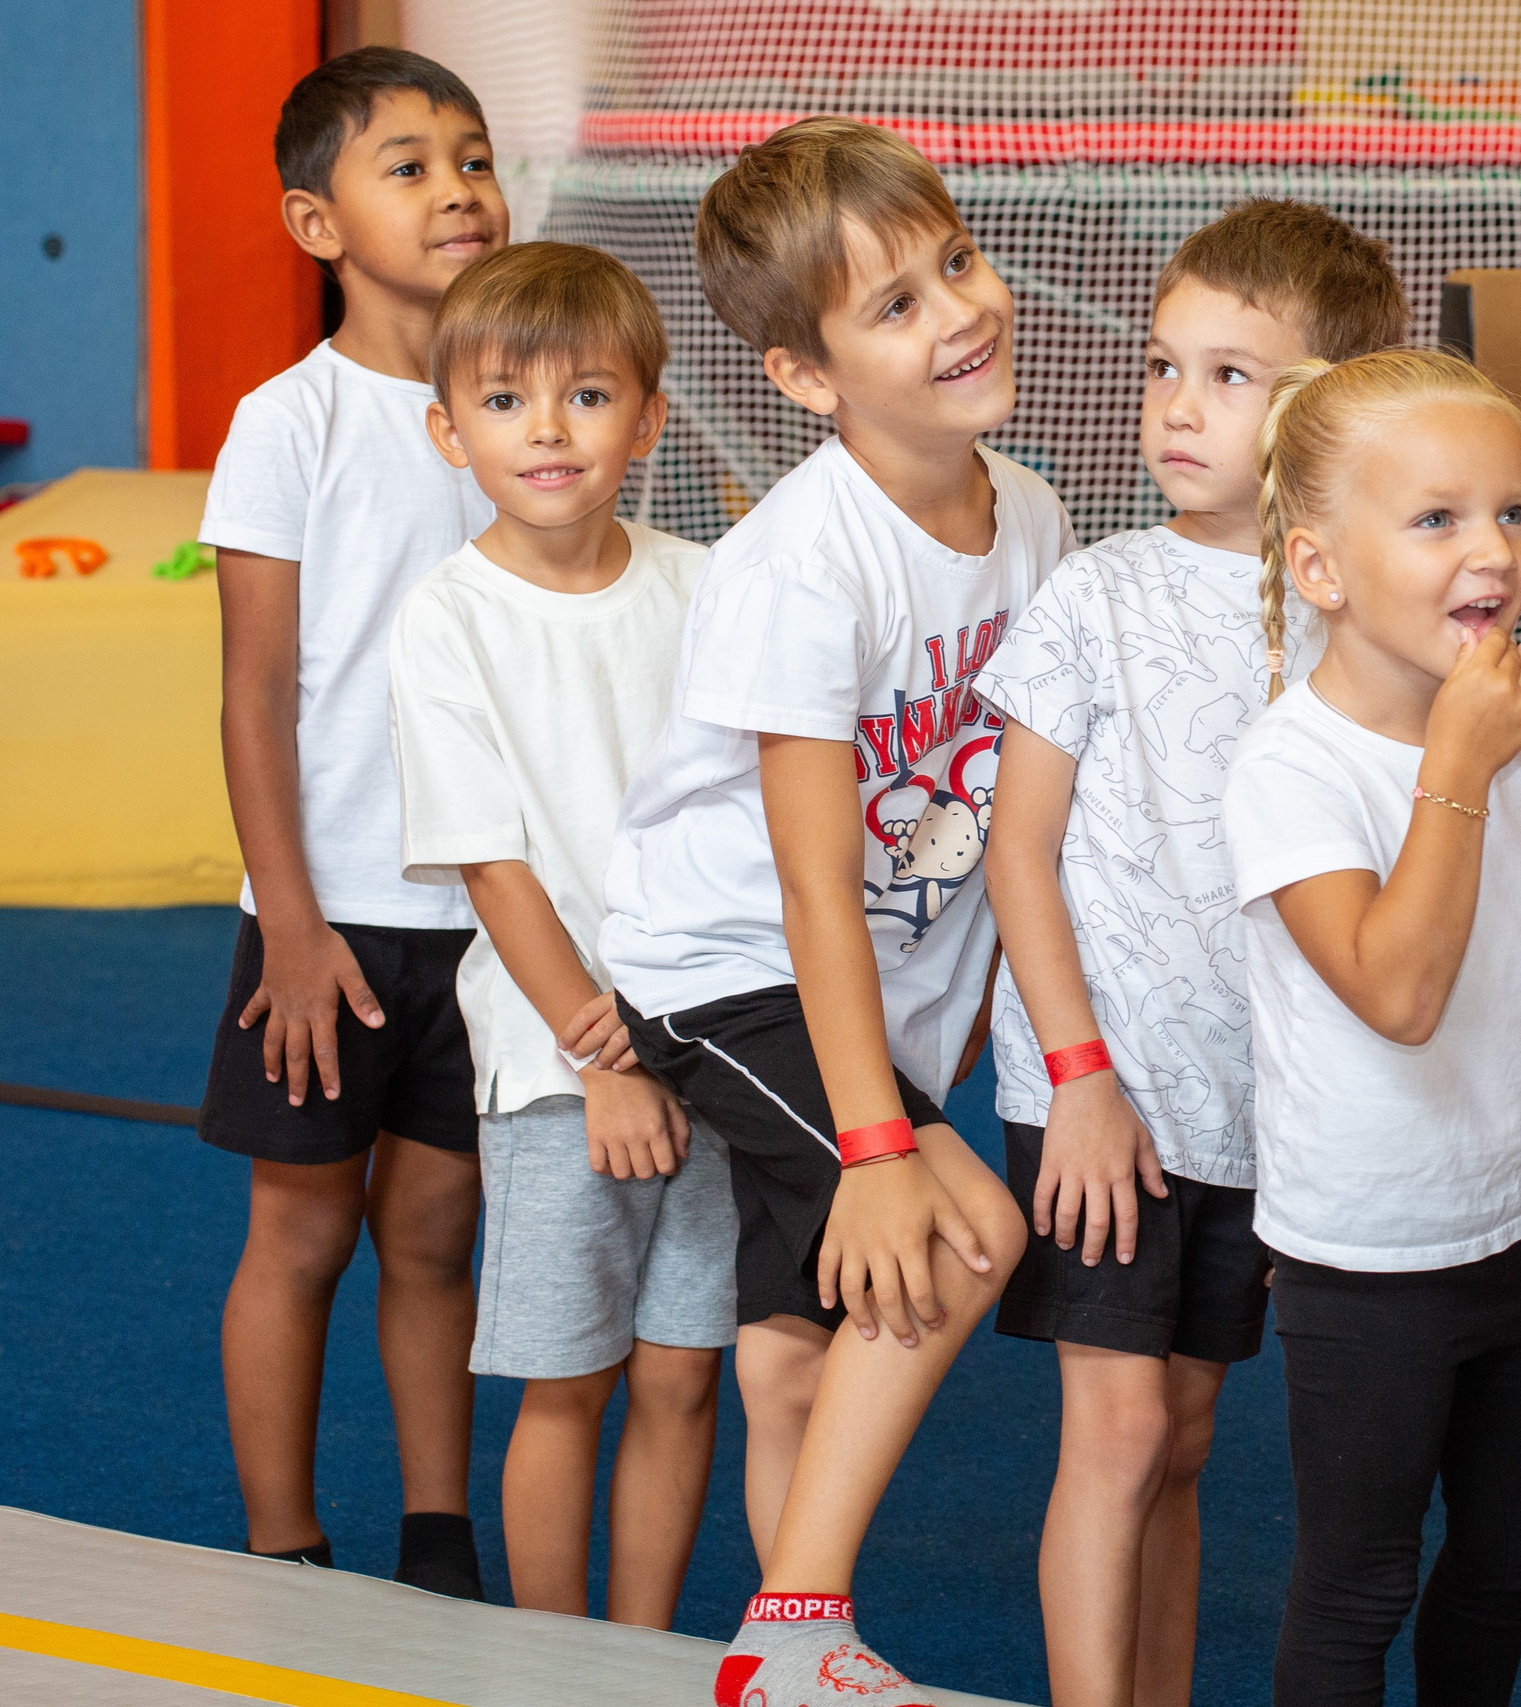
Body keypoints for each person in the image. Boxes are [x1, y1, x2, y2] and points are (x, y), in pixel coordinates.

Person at [593, 117, 1072, 1700]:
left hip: (882, 990)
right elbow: (808, 878)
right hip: (731, 970)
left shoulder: (1038, 520)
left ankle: (804, 1652)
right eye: (896, 308)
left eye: (957, 264)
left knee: (803, 1350)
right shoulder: (805, 564)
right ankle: (786, 1635)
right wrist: (881, 1143)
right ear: (806, 376)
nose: (958, 313)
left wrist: (1007, 1043)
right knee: (959, 1234)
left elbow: (1015, 814)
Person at [972, 201, 1408, 1707]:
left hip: (1255, 1101)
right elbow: (1015, 849)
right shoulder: (1098, 592)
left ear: (1331, 406)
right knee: (1116, 1430)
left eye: (1234, 375)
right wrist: (1081, 1076)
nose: (1177, 404)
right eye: (1167, 366)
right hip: (1103, 1089)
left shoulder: (1355, 614)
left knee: (1189, 1434)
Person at [1220, 348, 1521, 1707]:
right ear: (1322, 568)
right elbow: (1398, 994)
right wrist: (1453, 766)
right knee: (1359, 1581)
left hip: (1509, 1226)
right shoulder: (1294, 767)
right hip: (1366, 1255)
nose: (1493, 550)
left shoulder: (1517, 713)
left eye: (1513, 512)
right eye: (1439, 518)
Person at [194, 46, 505, 1598]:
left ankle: (438, 1541)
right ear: (316, 225)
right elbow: (258, 697)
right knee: (306, 1235)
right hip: (329, 916)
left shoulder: (521, 409)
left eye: (473, 155)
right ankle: (279, 1548)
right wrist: (292, 924)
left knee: (439, 1235)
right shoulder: (289, 422)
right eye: (411, 164)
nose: (458, 187)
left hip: (489, 917)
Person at [387, 241, 734, 1628]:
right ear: (449, 429)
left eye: (588, 396)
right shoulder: (449, 619)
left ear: (647, 419)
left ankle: (639, 1655)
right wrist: (605, 1058)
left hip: (714, 1047)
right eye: (507, 400)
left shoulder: (706, 584)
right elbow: (495, 865)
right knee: (569, 1382)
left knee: (682, 1373)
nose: (547, 430)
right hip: (559, 1071)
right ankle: (553, 1662)